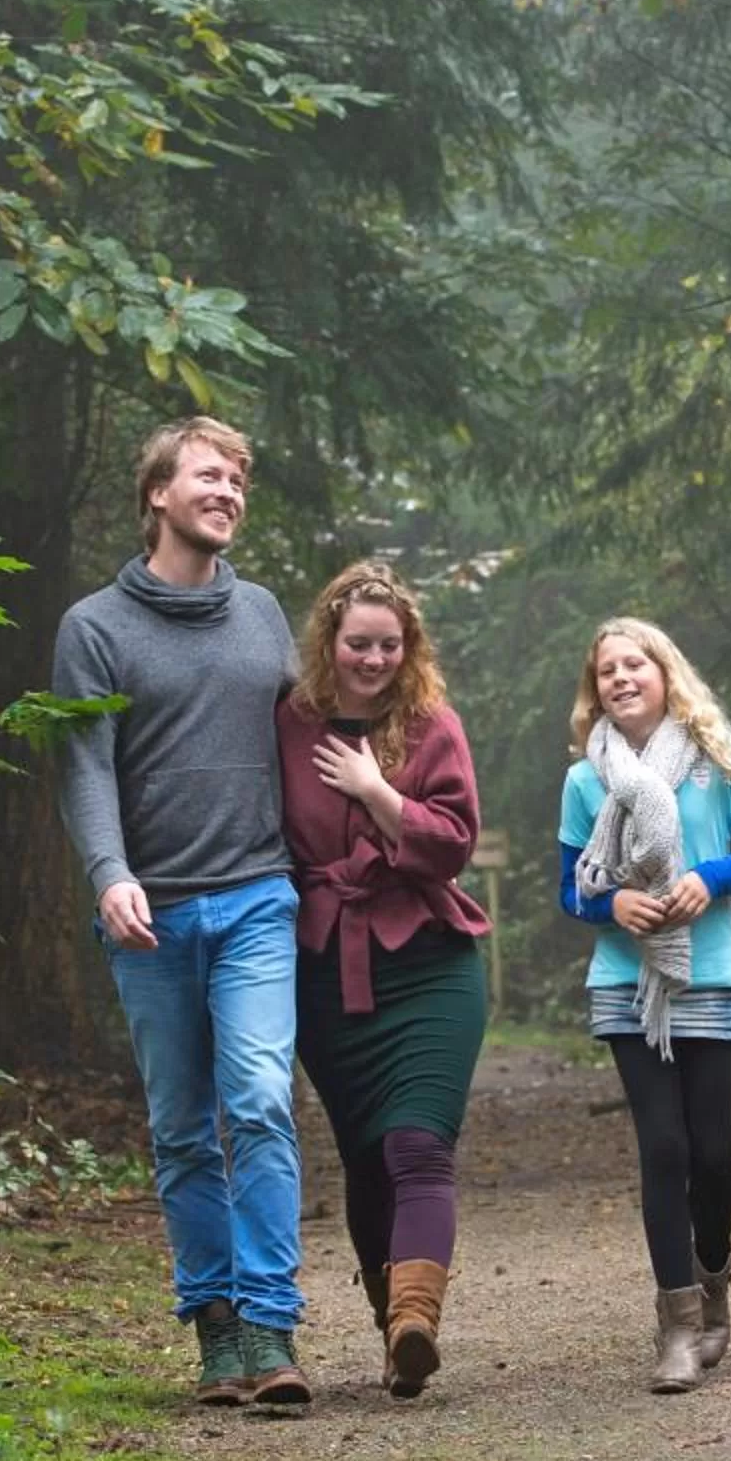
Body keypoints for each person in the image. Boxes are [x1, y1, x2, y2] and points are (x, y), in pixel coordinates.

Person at [53, 416, 309, 1407]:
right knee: (184, 1129)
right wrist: (109, 870)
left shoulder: (265, 615)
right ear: (158, 492)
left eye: (240, 479)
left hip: (254, 897)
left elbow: (312, 735)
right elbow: (83, 763)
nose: (230, 491)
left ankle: (271, 1324)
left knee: (258, 1098)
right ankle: (214, 1329)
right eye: (211, 474)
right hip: (152, 914)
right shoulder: (95, 629)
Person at [276, 561, 491, 1398]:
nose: (372, 660)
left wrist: (378, 792)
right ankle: (393, 1333)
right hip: (327, 967)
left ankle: (415, 1322)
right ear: (329, 642)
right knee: (366, 1158)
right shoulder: (289, 723)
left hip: (428, 960)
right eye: (358, 643)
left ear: (410, 650)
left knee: (417, 1145)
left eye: (389, 646)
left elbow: (454, 842)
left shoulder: (431, 723)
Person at [557, 617, 731, 1392]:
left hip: (710, 973)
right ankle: (678, 1326)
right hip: (626, 984)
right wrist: (611, 904)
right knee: (664, 1148)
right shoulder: (589, 778)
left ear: (664, 673)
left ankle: (714, 1280)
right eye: (606, 671)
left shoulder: (718, 759)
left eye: (634, 665)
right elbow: (570, 885)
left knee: (713, 1158)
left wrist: (708, 879)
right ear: (596, 691)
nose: (620, 679)